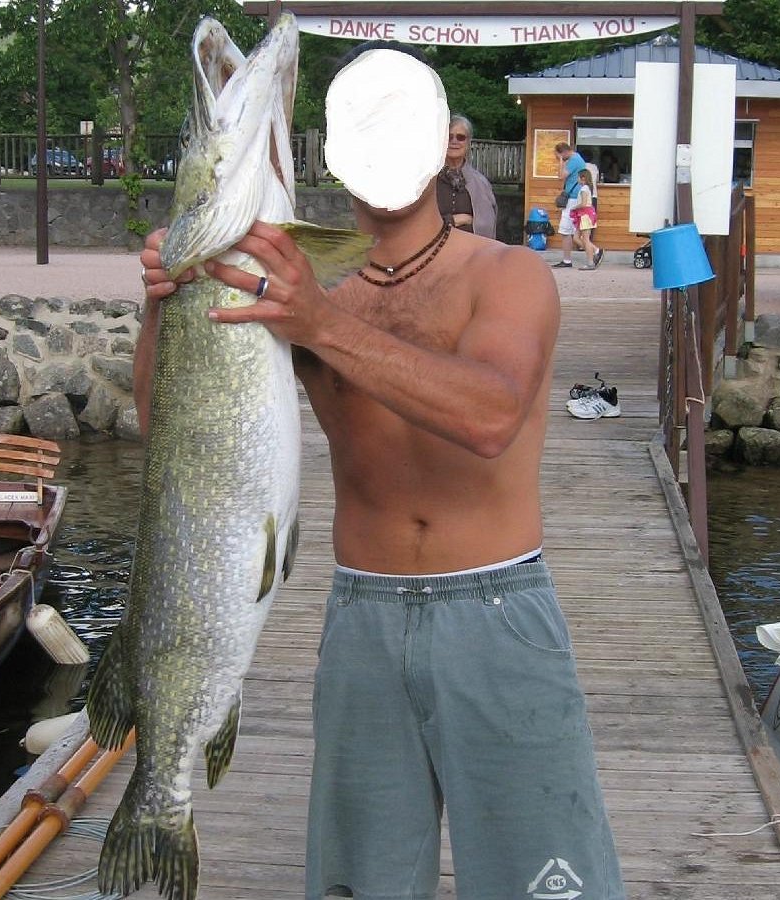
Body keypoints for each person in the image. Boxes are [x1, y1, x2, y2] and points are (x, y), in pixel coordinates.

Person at [136, 42, 624, 900]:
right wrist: (162, 305)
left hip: (497, 607)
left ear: (448, 146)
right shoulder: (298, 286)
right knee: (361, 885)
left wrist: (321, 324)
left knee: (544, 882)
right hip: (360, 615)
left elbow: (489, 417)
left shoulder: (510, 276)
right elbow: (169, 430)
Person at [435, 114, 498, 240]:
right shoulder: (429, 181)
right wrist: (455, 220)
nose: (454, 141)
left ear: (468, 142)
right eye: (449, 136)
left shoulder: (480, 182)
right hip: (432, 253)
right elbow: (418, 223)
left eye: (460, 137)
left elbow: (487, 225)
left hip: (471, 253)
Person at [552, 141, 586, 268]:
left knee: (565, 230)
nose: (558, 159)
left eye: (559, 156)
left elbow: (561, 176)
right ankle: (568, 259)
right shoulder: (577, 159)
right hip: (575, 198)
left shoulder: (573, 160)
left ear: (564, 152)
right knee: (573, 232)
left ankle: (594, 251)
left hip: (572, 199)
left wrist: (561, 161)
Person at [572, 168, 603, 270]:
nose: (577, 179)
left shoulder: (584, 189)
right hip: (583, 215)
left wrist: (574, 207)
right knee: (576, 238)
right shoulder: (586, 188)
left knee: (585, 239)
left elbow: (584, 203)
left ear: (583, 178)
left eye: (578, 177)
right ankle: (595, 250)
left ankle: (590, 262)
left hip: (585, 215)